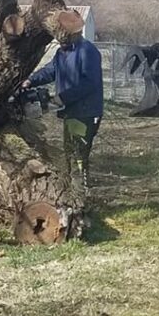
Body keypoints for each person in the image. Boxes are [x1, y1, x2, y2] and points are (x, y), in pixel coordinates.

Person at [22, 10, 103, 203]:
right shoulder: (62, 53)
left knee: (78, 156)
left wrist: (62, 98)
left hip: (86, 112)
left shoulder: (87, 51)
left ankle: (82, 196)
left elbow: (88, 84)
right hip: (71, 112)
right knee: (69, 153)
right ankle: (70, 194)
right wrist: (30, 81)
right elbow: (50, 71)